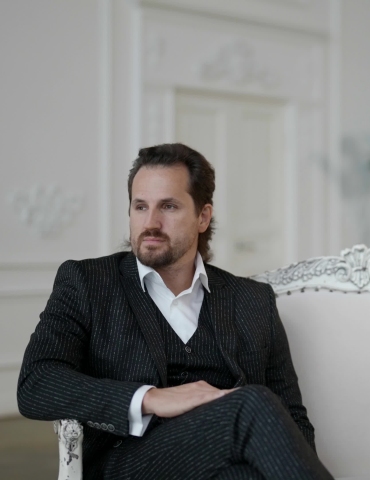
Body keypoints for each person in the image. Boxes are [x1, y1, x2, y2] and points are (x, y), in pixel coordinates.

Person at [17, 143, 332, 480]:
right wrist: (149, 398)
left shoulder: (252, 299)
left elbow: (292, 415)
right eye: (140, 206)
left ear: (203, 216)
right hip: (126, 463)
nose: (150, 222)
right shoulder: (88, 282)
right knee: (251, 402)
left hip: (218, 463)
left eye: (167, 206)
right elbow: (36, 382)